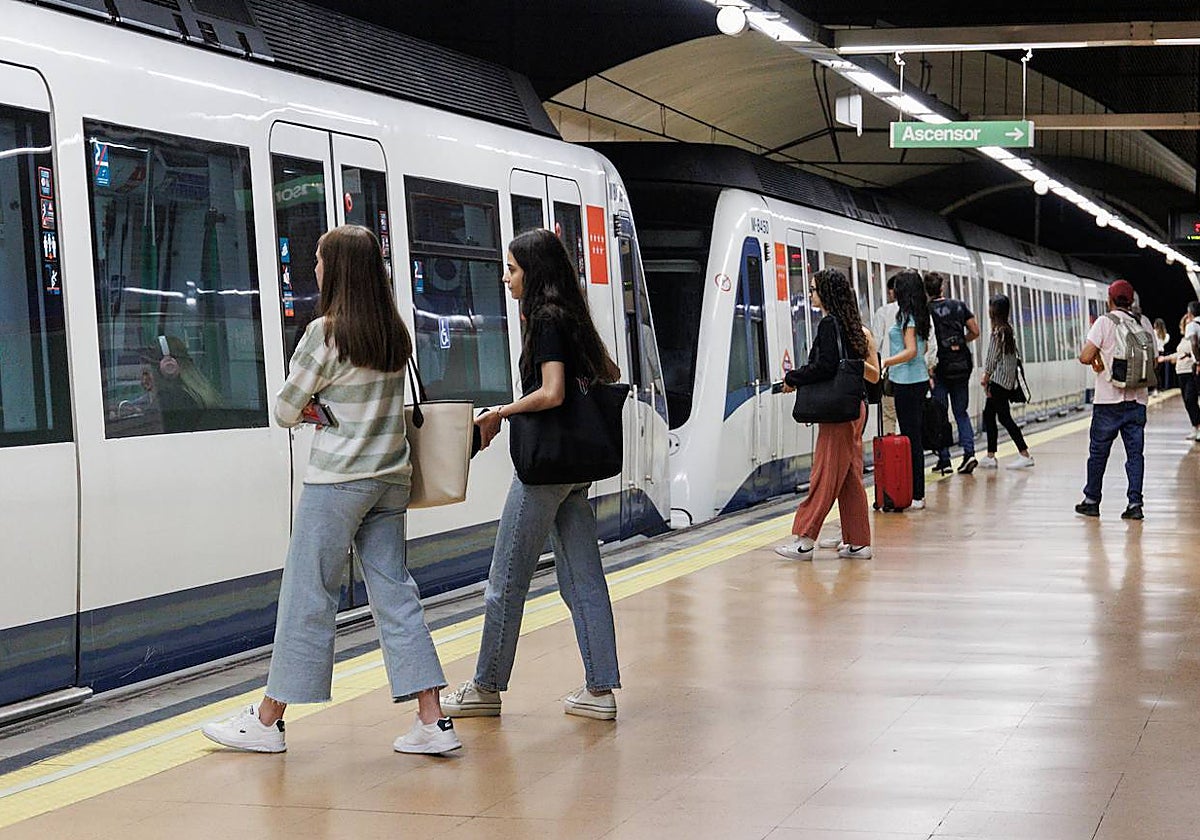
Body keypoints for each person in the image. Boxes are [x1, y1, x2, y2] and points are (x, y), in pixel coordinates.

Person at [202, 225, 460, 755]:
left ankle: (269, 719)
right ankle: (432, 720)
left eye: (319, 261)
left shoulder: (325, 334)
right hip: (391, 478)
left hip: (339, 482)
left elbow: (283, 410)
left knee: (307, 592)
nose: (313, 269)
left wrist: (319, 412)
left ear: (337, 268)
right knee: (395, 593)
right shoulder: (394, 332)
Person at [442, 228, 623, 721]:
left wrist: (502, 412)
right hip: (575, 468)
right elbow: (606, 371)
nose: (505, 277)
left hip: (543, 470)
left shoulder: (545, 320)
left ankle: (485, 686)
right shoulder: (572, 316)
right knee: (583, 579)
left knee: (505, 579)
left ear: (534, 272)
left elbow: (553, 392)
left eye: (513, 269)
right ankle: (601, 689)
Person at [775, 268, 880, 560]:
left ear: (826, 293)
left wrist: (793, 378)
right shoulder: (852, 325)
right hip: (854, 407)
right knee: (849, 479)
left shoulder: (829, 324)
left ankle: (804, 540)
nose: (810, 295)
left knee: (823, 474)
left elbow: (825, 367)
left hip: (837, 414)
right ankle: (859, 542)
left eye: (813, 289)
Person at [1074, 279, 1155, 520]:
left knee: (1098, 453)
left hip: (1108, 401)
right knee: (1135, 455)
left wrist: (1100, 356)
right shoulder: (1145, 323)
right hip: (1137, 401)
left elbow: (1085, 356)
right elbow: (1154, 359)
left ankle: (1091, 500)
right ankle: (1135, 504)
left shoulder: (1104, 322)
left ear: (1109, 300)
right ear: (1131, 301)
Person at [880, 269, 931, 510]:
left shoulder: (907, 317)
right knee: (913, 437)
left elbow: (911, 350)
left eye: (897, 287)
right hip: (914, 380)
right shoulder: (918, 315)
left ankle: (917, 494)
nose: (893, 291)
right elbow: (924, 348)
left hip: (907, 383)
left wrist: (886, 362)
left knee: (912, 438)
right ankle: (915, 491)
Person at [924, 272, 981, 475]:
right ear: (942, 287)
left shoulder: (926, 310)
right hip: (961, 365)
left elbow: (927, 340)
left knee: (940, 414)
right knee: (961, 412)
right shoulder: (959, 305)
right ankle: (969, 453)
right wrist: (960, 341)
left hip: (940, 367)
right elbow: (975, 330)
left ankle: (944, 459)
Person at [977, 294, 1035, 469]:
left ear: (994, 311)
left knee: (1004, 418)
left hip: (998, 382)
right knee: (990, 416)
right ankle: (990, 455)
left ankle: (1024, 454)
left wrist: (985, 377)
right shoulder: (1008, 330)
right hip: (1006, 382)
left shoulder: (998, 332)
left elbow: (992, 358)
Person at [1166, 304, 1200, 441]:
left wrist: (1197, 362)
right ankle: (1195, 427)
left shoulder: (1193, 327)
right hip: (1181, 371)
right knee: (1188, 400)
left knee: (1190, 398)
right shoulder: (1182, 338)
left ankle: (1198, 425)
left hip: (1190, 369)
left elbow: (1194, 344)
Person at [1152, 318, 1171, 391]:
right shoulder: (1166, 335)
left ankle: (1156, 388)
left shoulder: (1153, 333)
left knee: (1155, 371)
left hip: (1155, 353)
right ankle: (1158, 387)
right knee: (1158, 371)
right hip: (1161, 353)